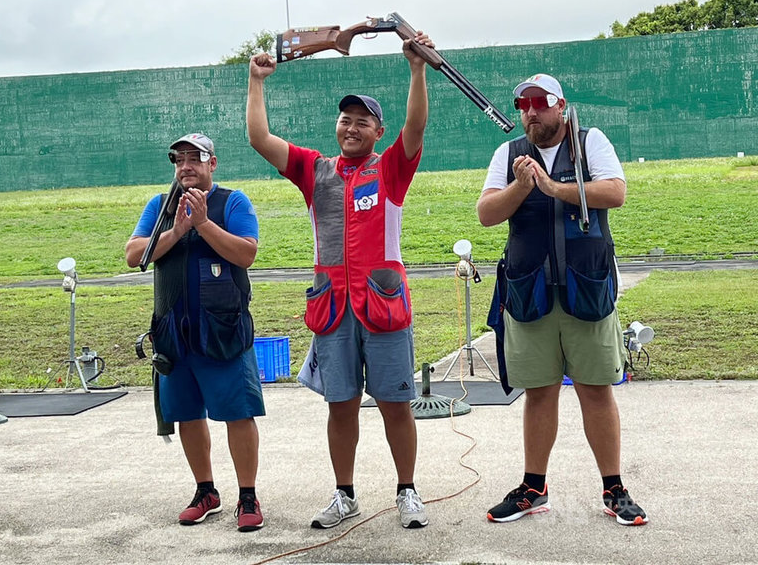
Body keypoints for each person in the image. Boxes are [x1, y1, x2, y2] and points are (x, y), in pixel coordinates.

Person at [245, 32, 435, 530]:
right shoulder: (315, 170)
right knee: (341, 405)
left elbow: (415, 127)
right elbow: (260, 140)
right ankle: (344, 494)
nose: (351, 128)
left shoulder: (391, 169)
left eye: (362, 122)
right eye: (345, 120)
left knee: (396, 403)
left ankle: (407, 491)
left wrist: (416, 70)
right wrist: (256, 83)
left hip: (383, 303)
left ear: (378, 131)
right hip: (333, 308)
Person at [476, 74, 648, 526]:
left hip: (585, 288)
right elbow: (487, 214)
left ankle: (614, 488)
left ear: (561, 105)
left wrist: (555, 189)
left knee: (595, 391)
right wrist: (522, 188)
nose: (531, 112)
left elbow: (616, 192)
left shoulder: (591, 142)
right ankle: (534, 487)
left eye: (540, 102)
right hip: (529, 291)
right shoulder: (508, 154)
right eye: (523, 104)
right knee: (538, 393)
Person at [125, 133, 266, 532]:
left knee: (238, 414)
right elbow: (135, 254)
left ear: (212, 163)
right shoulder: (160, 205)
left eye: (194, 158)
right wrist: (177, 230)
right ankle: (206, 491)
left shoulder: (232, 202)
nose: (185, 166)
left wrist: (202, 225)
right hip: (174, 334)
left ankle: (248, 496)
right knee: (187, 415)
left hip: (223, 331)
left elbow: (246, 253)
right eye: (179, 159)